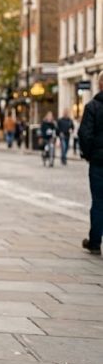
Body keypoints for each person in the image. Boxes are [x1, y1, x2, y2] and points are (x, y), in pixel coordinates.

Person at [79, 74, 103, 255]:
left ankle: (95, 242)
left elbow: (85, 135)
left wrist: (88, 155)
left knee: (98, 202)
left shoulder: (92, 107)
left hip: (98, 162)